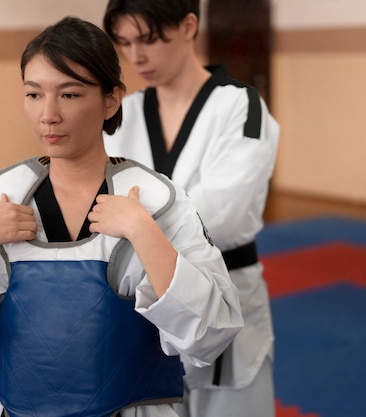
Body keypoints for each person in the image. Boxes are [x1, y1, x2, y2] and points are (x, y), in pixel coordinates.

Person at [0, 16, 244, 417]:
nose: (48, 115)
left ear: (112, 99)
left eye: (70, 95)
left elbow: (212, 333)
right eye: (33, 94)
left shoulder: (156, 200)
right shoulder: (0, 198)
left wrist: (143, 231)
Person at [102, 1, 280, 416]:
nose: (135, 57)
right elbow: (101, 207)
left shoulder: (240, 106)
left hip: (222, 293)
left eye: (148, 40)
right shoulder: (123, 114)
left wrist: (135, 223)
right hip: (141, 306)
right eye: (124, 43)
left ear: (188, 26)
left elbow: (226, 215)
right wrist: (134, 225)